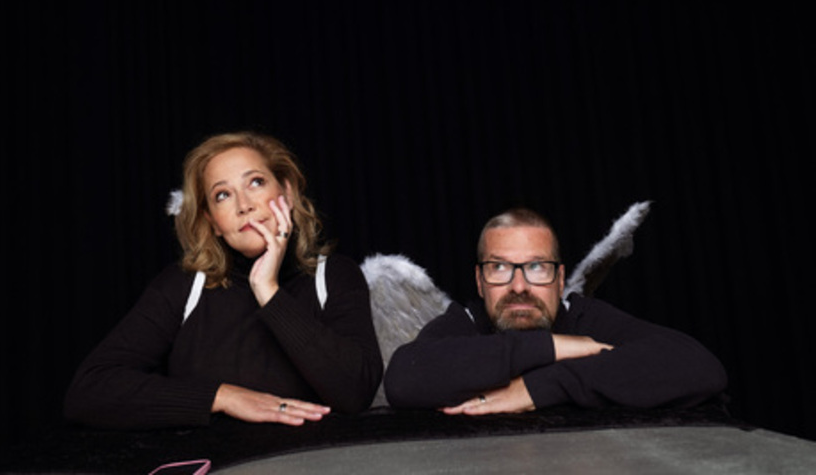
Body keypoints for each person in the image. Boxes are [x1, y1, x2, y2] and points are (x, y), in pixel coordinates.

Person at [64, 132, 383, 429]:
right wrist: (222, 397)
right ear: (213, 222)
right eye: (223, 195)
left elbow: (355, 392)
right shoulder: (183, 286)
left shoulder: (334, 275)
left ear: (287, 192)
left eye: (256, 182)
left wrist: (268, 291)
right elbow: (88, 391)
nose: (244, 205)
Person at [384, 207, 727, 415]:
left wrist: (538, 388)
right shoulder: (468, 321)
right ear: (479, 281)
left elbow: (699, 367)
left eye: (536, 267)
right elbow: (404, 379)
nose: (519, 286)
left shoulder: (583, 318)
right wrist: (552, 347)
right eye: (500, 267)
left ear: (560, 279)